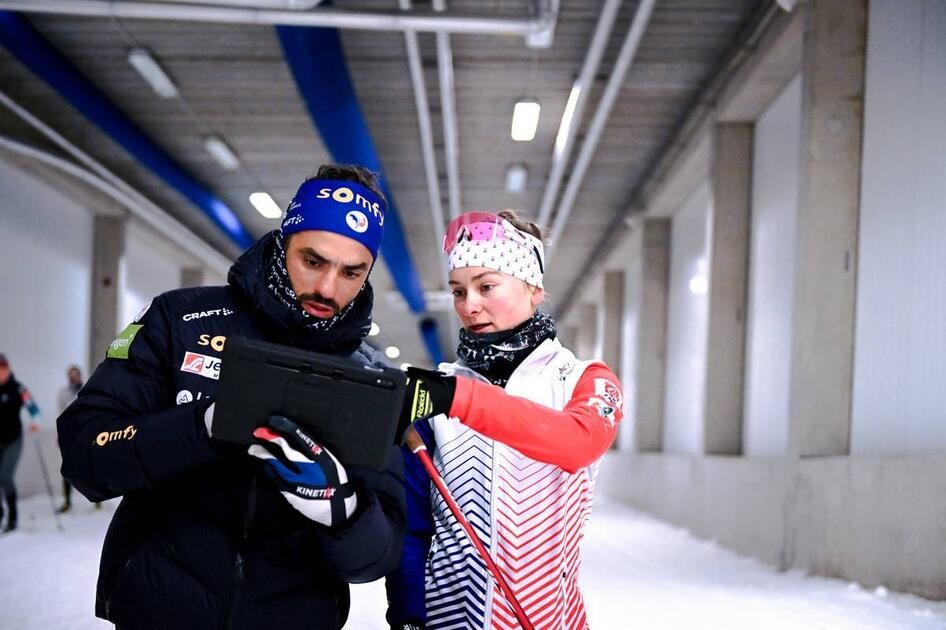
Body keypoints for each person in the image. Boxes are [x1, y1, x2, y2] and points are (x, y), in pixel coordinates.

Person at [58, 164, 406, 630]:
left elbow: (374, 561)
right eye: (313, 261)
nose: (327, 288)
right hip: (160, 610)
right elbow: (86, 454)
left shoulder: (369, 377)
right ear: (284, 244)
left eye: (352, 272)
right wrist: (203, 426)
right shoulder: (180, 319)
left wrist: (342, 509)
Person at [385, 211, 624, 630]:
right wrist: (407, 615)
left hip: (549, 620)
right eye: (458, 291)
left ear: (534, 289)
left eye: (486, 286)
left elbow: (578, 443)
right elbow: (412, 528)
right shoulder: (437, 392)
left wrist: (459, 397)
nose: (468, 305)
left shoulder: (586, 379)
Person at [0, 353, 40, 533]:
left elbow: (34, 410)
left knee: (5, 476)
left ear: (8, 369)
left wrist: (35, 422)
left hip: (13, 440)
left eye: (2, 369)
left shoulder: (19, 388)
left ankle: (13, 517)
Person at [56, 364, 83, 513]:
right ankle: (67, 500)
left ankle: (98, 500)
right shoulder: (63, 393)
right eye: (70, 375)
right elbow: (61, 415)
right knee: (67, 468)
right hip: (69, 435)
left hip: (85, 433)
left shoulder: (87, 390)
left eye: (75, 374)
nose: (73, 378)